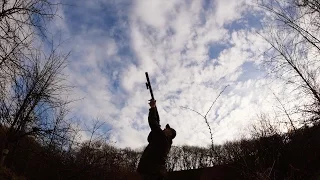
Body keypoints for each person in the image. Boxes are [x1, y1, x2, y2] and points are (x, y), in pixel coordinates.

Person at [137, 99, 176, 180]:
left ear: (170, 134)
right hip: (153, 172)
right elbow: (156, 123)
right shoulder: (163, 140)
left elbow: (153, 123)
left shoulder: (163, 139)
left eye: (167, 129)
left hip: (154, 173)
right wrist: (155, 109)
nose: (165, 129)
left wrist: (153, 108)